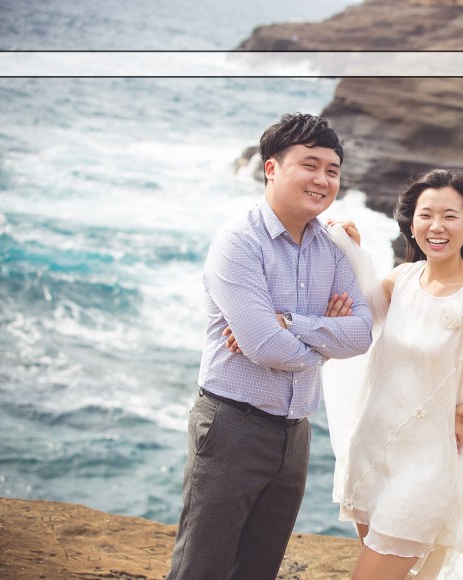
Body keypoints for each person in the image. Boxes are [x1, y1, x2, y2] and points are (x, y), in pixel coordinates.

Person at [166, 113, 373, 580]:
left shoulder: (334, 246)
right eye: (310, 164)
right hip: (230, 427)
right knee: (201, 568)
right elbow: (264, 347)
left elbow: (361, 334)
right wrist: (320, 338)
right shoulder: (238, 243)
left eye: (333, 170)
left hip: (295, 432)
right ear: (271, 168)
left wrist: (287, 324)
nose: (323, 179)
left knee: (257, 570)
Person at [326, 168, 463, 579]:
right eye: (426, 215)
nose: (436, 226)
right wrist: (345, 244)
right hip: (374, 454)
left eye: (450, 216)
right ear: (411, 223)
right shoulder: (401, 279)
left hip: (425, 471)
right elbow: (351, 310)